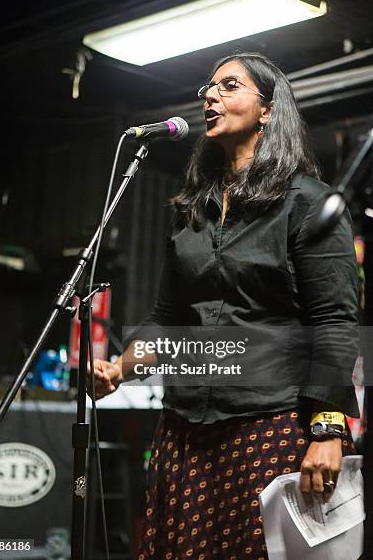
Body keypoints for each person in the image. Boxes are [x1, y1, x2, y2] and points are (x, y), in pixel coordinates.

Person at [87, 52, 359, 559]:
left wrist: (328, 430)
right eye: (208, 89)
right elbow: (170, 320)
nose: (211, 96)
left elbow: (334, 322)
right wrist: (119, 369)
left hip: (268, 424)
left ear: (267, 111)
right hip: (185, 428)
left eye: (229, 86)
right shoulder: (193, 209)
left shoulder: (306, 202)